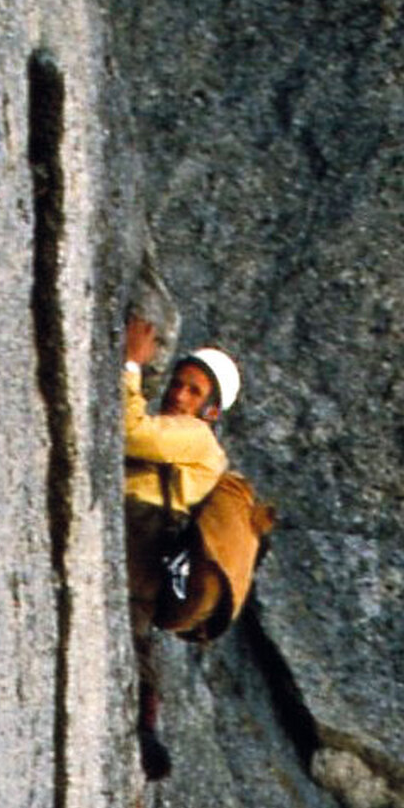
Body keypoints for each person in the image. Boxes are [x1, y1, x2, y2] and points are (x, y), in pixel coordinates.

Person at [121, 318, 271, 779]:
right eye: (179, 383)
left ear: (210, 410)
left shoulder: (197, 438)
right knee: (135, 629)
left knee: (133, 621)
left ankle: (146, 728)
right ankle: (145, 727)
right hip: (145, 535)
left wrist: (130, 364)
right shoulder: (184, 431)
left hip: (142, 532)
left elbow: (129, 431)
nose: (178, 394)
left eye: (193, 391)